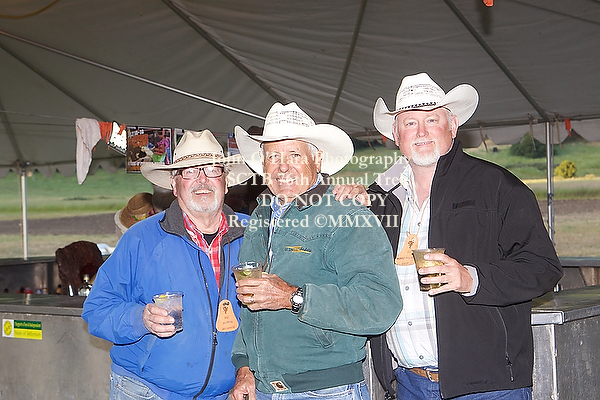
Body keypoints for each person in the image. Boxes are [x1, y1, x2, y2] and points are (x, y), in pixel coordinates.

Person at [363, 72, 563, 399]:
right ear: (396, 135)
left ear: (453, 126)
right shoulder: (381, 200)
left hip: (486, 386)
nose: (421, 132)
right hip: (409, 384)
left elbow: (543, 267)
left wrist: (471, 279)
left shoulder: (497, 186)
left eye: (432, 120)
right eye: (410, 123)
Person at [229, 102, 403, 400]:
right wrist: (244, 367)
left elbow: (381, 305)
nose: (283, 166)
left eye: (294, 155)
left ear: (317, 159)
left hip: (327, 391)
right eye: (273, 156)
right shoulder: (261, 215)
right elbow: (250, 303)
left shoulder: (348, 214)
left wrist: (293, 297)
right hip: (264, 389)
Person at [82, 130, 253, 400]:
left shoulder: (254, 233)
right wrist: (140, 318)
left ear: (226, 180)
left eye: (212, 170)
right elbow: (97, 310)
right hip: (147, 391)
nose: (202, 180)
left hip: (224, 393)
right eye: (189, 172)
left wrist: (247, 369)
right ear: (174, 184)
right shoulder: (141, 238)